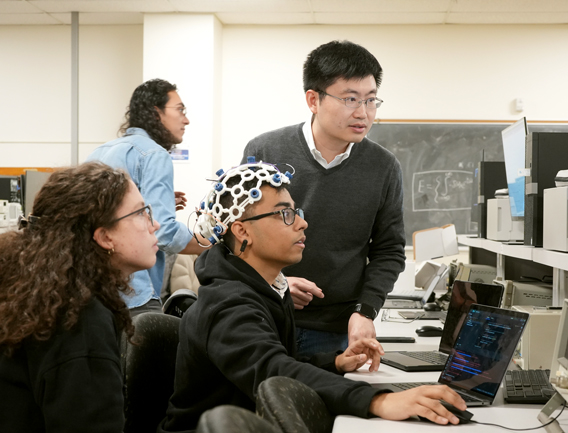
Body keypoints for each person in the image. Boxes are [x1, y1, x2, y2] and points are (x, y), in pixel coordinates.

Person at [158, 160, 466, 433]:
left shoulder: (263, 287)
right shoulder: (228, 306)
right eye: (285, 214)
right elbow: (273, 372)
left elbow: (283, 361)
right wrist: (380, 400)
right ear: (242, 232)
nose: (303, 223)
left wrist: (336, 362)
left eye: (297, 212)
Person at [242, 40, 406, 358]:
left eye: (372, 101)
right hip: (265, 318)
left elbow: (388, 250)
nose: (363, 113)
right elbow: (239, 235)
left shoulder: (383, 167)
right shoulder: (265, 152)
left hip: (336, 331)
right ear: (313, 100)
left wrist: (365, 310)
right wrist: (277, 281)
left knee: (331, 407)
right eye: (350, 99)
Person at [0, 162, 161, 433]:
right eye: (141, 212)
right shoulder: (80, 322)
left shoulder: (38, 294)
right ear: (104, 237)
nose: (154, 224)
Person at [88, 78, 208, 316]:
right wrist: (212, 243)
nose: (186, 120)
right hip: (135, 293)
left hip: (95, 288)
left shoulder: (100, 151)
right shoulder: (154, 154)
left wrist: (149, 202)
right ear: (156, 113)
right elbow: (164, 234)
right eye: (180, 110)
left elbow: (102, 215)